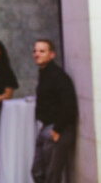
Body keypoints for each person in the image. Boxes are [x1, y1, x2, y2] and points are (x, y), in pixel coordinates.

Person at [31, 39, 77, 183]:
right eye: (35, 51)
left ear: (52, 55)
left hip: (57, 129)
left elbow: (69, 105)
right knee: (38, 172)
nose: (37, 54)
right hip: (47, 127)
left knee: (52, 176)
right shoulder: (44, 73)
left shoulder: (57, 76)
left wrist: (57, 130)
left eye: (41, 51)